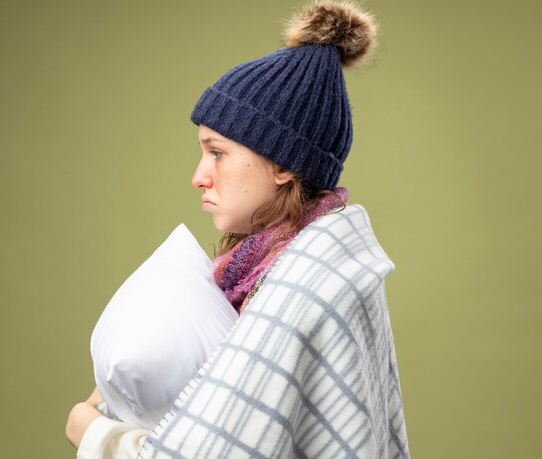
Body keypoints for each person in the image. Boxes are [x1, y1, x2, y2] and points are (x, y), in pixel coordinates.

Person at [66, 1, 410, 457]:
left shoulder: (301, 290)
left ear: (284, 164)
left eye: (217, 152)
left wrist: (94, 433)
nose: (199, 176)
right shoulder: (281, 271)